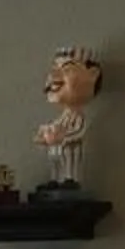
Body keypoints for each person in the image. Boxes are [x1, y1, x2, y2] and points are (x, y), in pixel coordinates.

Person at [37, 45, 103, 188]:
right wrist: (44, 136)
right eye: (55, 68)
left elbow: (80, 131)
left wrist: (65, 137)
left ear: (92, 74)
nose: (54, 77)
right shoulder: (64, 116)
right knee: (55, 160)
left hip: (70, 148)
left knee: (70, 162)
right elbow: (56, 127)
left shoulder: (78, 115)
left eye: (67, 69)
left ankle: (70, 180)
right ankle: (55, 180)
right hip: (57, 146)